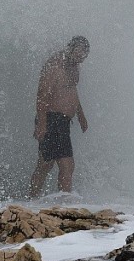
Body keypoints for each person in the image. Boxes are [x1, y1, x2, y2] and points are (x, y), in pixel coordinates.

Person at [29, 36, 90, 197]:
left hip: (63, 122)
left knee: (45, 164)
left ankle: (32, 200)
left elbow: (71, 91)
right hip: (51, 119)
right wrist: (42, 124)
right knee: (66, 165)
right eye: (78, 55)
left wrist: (80, 115)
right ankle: (63, 204)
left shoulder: (74, 66)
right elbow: (42, 95)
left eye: (83, 57)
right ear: (70, 49)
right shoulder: (55, 65)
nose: (80, 60)